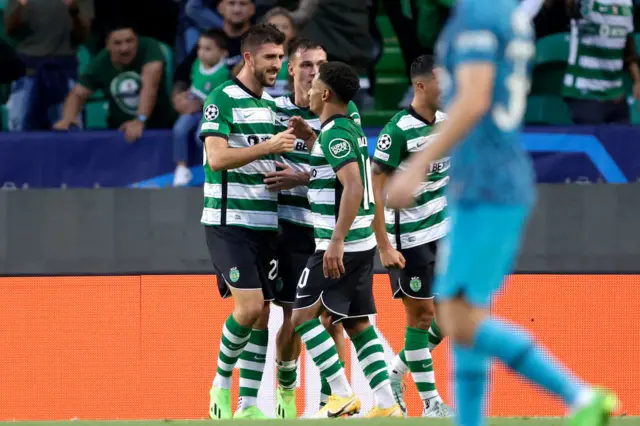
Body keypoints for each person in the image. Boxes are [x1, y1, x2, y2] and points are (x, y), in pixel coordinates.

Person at [385, 2, 618, 426]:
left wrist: (417, 165)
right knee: (464, 316)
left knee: (458, 317)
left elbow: (473, 101)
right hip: (481, 183)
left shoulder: (479, 18)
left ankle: (578, 394)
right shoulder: (498, 17)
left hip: (486, 183)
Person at [287, 61, 401, 419]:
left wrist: (335, 240)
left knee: (302, 318)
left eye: (313, 84)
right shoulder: (345, 125)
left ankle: (341, 393)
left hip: (340, 244)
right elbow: (337, 169)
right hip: (362, 242)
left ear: (325, 94)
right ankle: (386, 404)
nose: (306, 89)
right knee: (357, 323)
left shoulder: (335, 133)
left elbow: (352, 185)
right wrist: (310, 137)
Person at [199, 23, 296, 420]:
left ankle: (249, 404)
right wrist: (268, 147)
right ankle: (220, 384)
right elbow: (217, 157)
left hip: (265, 222)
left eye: (281, 56)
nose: (278, 64)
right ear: (249, 57)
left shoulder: (272, 105)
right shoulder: (221, 98)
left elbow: (274, 155)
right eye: (271, 57)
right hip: (228, 221)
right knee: (249, 306)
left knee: (264, 312)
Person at [261, 38, 361, 419]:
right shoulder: (273, 110)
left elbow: (347, 170)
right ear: (291, 68)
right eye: (306, 65)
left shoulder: (341, 112)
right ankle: (287, 386)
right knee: (290, 317)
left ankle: (329, 401)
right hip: (287, 226)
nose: (313, 71)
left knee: (329, 318)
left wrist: (300, 176)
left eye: (320, 65)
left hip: (324, 228)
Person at [371, 54, 452, 418]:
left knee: (453, 314)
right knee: (421, 317)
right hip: (410, 237)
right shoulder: (398, 130)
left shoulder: (448, 123)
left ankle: (395, 374)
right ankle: (432, 402)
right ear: (420, 85)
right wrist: (384, 243)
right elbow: (375, 188)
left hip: (444, 231)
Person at [54, 23, 176, 142]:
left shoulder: (150, 47)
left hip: (160, 129)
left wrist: (140, 120)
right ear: (108, 45)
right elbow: (78, 94)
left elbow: (150, 87)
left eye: (130, 41)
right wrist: (68, 117)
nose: (125, 48)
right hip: (119, 132)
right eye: (117, 43)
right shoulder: (101, 61)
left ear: (137, 40)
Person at [4, 0, 93, 131]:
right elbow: (10, 31)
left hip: (64, 71)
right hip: (27, 71)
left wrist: (74, 11)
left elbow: (82, 37)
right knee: (18, 130)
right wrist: (20, 6)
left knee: (71, 130)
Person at [562, 0, 639, 124]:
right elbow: (572, 6)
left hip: (616, 96)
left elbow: (628, 49)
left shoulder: (627, 4)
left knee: (623, 142)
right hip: (585, 93)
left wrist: (637, 80)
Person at [173, 29, 230, 187]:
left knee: (203, 135)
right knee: (179, 129)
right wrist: (185, 96)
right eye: (199, 48)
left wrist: (201, 105)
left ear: (222, 53)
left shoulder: (223, 74)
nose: (202, 53)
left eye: (208, 49)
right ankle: (181, 168)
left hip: (210, 111)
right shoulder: (196, 64)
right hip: (193, 107)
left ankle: (211, 168)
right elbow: (193, 87)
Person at [261, 7, 298, 98]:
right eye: (274, 26)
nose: (279, 31)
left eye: (285, 27)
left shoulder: (300, 63)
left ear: (293, 32)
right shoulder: (252, 62)